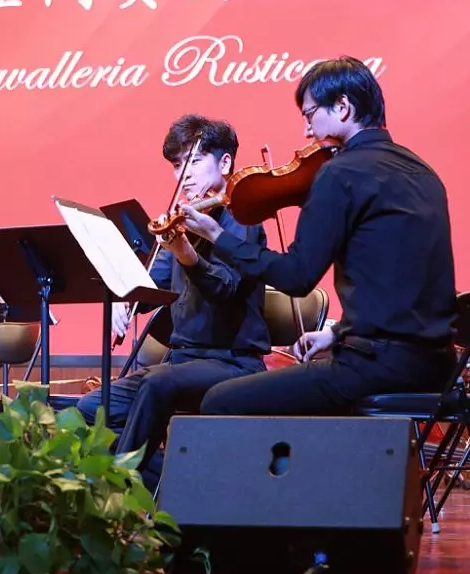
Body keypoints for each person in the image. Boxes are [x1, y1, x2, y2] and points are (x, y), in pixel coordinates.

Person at [187, 57, 458, 417]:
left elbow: (296, 277)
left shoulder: (340, 173)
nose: (307, 131)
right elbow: (400, 283)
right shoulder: (423, 172)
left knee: (217, 401)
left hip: (377, 367)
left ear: (343, 107)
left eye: (310, 115)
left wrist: (218, 235)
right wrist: (338, 332)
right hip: (438, 366)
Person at [75, 114, 270, 489]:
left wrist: (188, 256)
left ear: (225, 162)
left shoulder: (242, 219)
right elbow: (152, 286)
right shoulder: (181, 223)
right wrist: (124, 296)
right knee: (92, 409)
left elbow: (226, 288)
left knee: (158, 384)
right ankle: (174, 483)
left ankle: (115, 493)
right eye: (178, 165)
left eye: (194, 161)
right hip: (182, 360)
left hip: (232, 362)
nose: (185, 175)